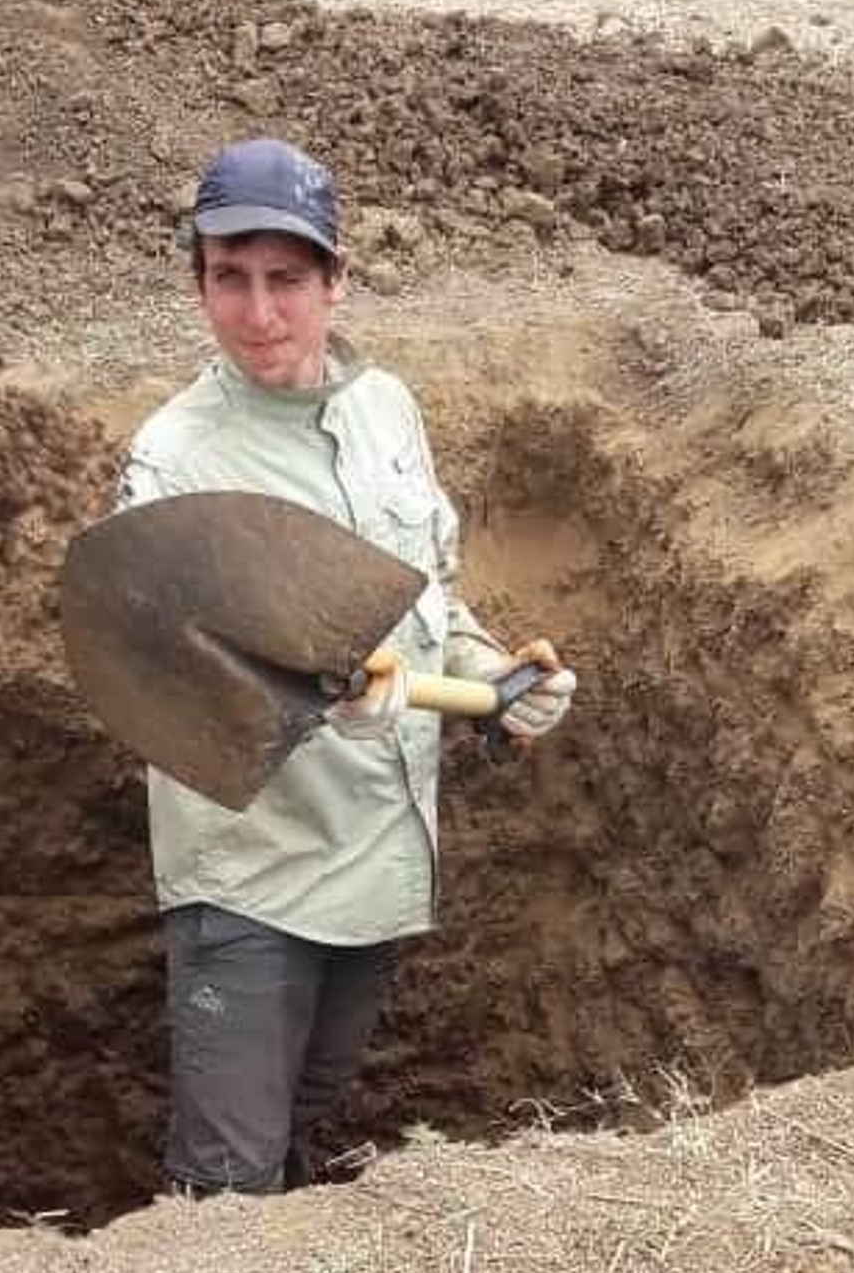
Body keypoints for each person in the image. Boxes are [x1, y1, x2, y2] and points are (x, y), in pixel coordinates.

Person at [115, 136, 577, 1199]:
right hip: (251, 880)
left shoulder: (385, 412)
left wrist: (497, 675)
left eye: (286, 280)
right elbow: (155, 674)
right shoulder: (174, 465)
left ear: (335, 282)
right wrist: (307, 701)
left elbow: (427, 598)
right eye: (228, 279)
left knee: (299, 1133)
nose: (258, 313)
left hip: (379, 864)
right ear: (198, 285)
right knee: (227, 1189)